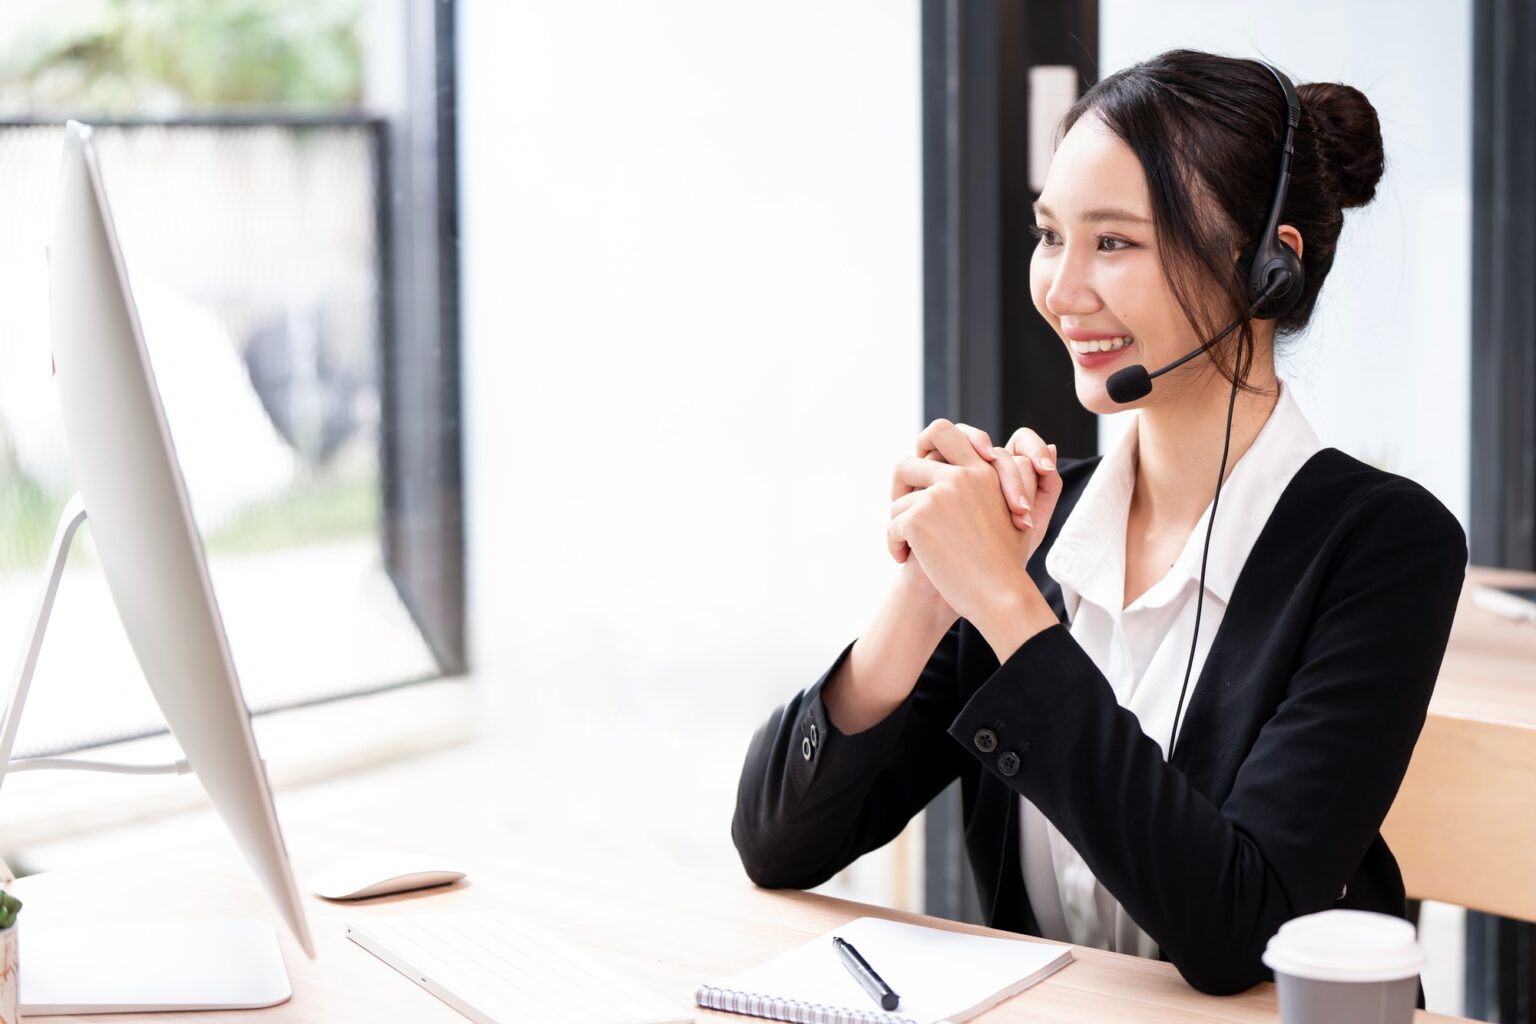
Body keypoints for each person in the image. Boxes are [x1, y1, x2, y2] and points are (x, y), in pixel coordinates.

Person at [730, 49, 1467, 997]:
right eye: (1050, 236)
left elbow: (1237, 928)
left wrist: (1001, 599)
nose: (1061, 290)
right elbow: (778, 844)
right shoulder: (1041, 524)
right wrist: (925, 593)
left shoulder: (1385, 545)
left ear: (1266, 268)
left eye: (1114, 243)